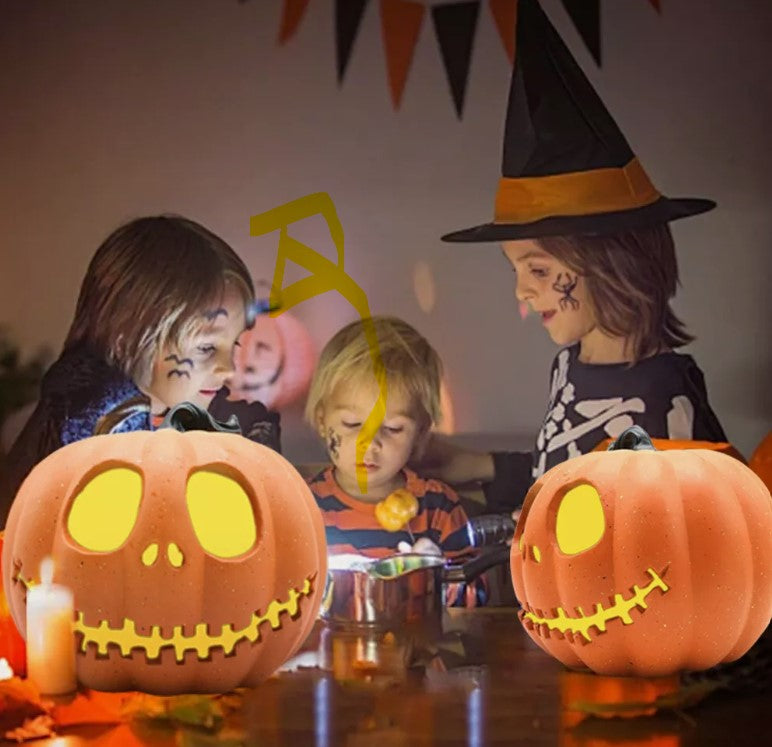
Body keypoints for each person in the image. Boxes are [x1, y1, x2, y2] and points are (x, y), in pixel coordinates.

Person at [421, 0, 726, 513]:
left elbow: (699, 527)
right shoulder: (569, 366)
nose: (521, 290)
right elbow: (562, 465)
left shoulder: (667, 399)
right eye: (516, 270)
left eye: (538, 269)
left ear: (613, 265)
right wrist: (467, 464)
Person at [0, 215, 279, 527]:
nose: (229, 370)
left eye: (235, 345)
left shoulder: (142, 407)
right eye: (206, 348)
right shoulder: (108, 414)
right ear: (129, 336)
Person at [305, 316, 487, 607]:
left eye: (393, 429)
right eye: (352, 424)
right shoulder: (304, 508)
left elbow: (476, 597)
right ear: (322, 420)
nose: (371, 443)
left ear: (420, 433)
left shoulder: (437, 509)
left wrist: (435, 575)